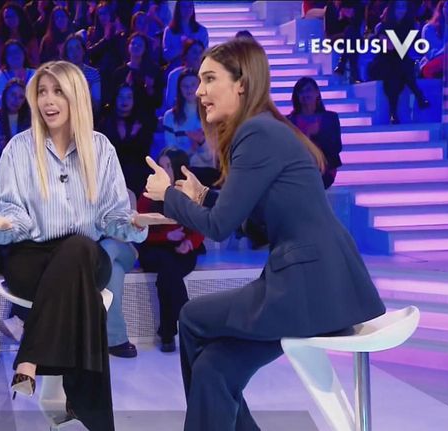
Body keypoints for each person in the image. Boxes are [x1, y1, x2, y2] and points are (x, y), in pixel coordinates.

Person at [143, 38, 386, 431]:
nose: (200, 91)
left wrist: (168, 195)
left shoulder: (256, 133)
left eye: (210, 79)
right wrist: (202, 196)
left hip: (307, 288)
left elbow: (219, 226)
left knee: (190, 317)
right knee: (213, 370)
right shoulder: (265, 130)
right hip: (316, 283)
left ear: (241, 83)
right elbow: (251, 219)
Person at [0, 60, 170, 431]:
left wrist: (133, 222)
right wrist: (7, 224)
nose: (48, 100)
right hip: (31, 257)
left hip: (85, 254)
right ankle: (94, 421)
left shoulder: (100, 148)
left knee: (79, 248)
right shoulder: (18, 149)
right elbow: (12, 214)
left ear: (76, 96)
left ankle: (29, 356)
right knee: (87, 299)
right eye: (42, 92)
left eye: (58, 91)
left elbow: (112, 216)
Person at [138, 148, 203, 353]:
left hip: (181, 249)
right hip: (154, 248)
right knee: (168, 267)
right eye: (161, 165)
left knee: (168, 274)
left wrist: (189, 243)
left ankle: (167, 333)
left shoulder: (188, 191)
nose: (163, 170)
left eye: (167, 166)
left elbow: (201, 224)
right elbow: (140, 229)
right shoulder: (149, 192)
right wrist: (166, 236)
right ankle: (190, 323)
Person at [370, 0, 430, 123]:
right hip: (383, 63)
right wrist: (403, 43)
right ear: (392, 9)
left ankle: (393, 113)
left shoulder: (409, 26)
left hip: (400, 65)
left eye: (404, 7)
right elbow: (390, 47)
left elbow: (408, 49)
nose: (401, 10)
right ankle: (418, 94)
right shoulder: (383, 26)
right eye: (398, 7)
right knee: (398, 68)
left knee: (398, 71)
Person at [287, 77, 343, 189]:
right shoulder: (290, 121)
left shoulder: (330, 117)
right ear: (297, 96)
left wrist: (318, 134)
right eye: (301, 91)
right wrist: (307, 135)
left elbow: (336, 147)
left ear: (317, 93)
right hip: (298, 168)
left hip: (325, 168)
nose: (305, 94)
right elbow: (288, 150)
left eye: (308, 90)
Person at [0, 78, 31, 194]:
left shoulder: (31, 124)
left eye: (21, 97)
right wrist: (1, 149)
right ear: (5, 95)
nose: (16, 100)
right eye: (13, 95)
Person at [0, 39, 37, 114]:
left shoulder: (35, 74)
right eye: (10, 53)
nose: (14, 55)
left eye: (17, 52)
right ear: (5, 57)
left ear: (24, 54)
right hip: (5, 118)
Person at [162, 1, 209, 70]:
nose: (187, 10)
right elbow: (166, 56)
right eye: (184, 7)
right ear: (178, 9)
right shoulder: (169, 30)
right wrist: (182, 47)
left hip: (196, 70)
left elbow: (205, 53)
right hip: (175, 69)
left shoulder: (201, 30)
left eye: (190, 6)